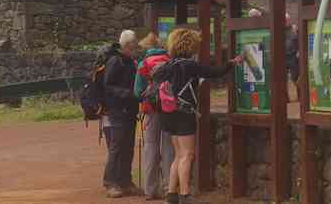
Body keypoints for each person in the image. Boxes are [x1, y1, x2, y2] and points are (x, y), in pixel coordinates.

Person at [153, 28, 242, 204]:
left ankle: (172, 194)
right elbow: (215, 72)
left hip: (168, 113)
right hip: (184, 114)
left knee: (179, 154)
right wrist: (232, 63)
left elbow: (156, 77)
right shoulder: (190, 65)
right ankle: (185, 195)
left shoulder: (169, 65)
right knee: (188, 155)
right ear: (190, 45)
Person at [134, 33, 174, 200]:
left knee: (150, 146)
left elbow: (137, 93)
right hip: (168, 109)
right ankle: (169, 188)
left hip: (151, 110)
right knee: (168, 147)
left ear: (147, 47)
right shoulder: (170, 61)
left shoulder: (143, 64)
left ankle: (150, 190)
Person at [102, 29, 140, 198]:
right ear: (125, 45)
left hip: (130, 110)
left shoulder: (131, 62)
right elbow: (108, 86)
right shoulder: (115, 61)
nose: (135, 49)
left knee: (128, 147)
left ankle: (126, 181)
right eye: (133, 46)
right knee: (116, 147)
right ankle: (110, 182)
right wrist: (128, 94)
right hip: (117, 110)